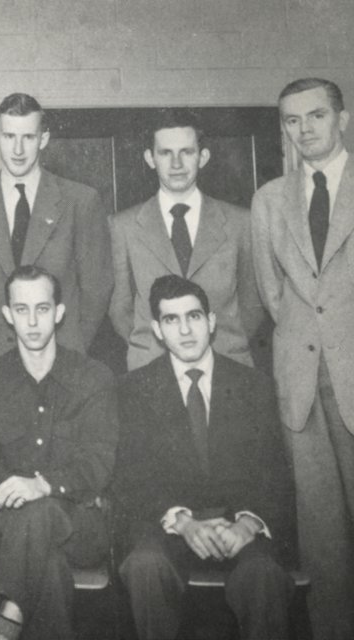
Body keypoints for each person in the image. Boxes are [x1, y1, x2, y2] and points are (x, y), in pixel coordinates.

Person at [114, 275, 294, 639]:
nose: (185, 330)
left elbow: (275, 474)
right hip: (171, 524)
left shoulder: (253, 385)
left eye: (194, 317)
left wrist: (248, 524)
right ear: (157, 330)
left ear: (211, 322)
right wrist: (182, 522)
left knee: (264, 573)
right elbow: (131, 480)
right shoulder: (134, 389)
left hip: (237, 525)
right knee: (144, 564)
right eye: (171, 320)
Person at [251, 76, 354, 639]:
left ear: (341, 118)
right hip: (302, 389)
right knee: (323, 544)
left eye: (316, 116)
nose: (304, 129)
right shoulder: (269, 198)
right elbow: (275, 296)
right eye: (292, 120)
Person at [0, 265, 116, 640]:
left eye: (43, 309)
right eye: (21, 310)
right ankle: (9, 623)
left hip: (82, 524)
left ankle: (8, 618)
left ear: (59, 313)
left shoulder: (93, 378)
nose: (32, 321)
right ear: (7, 315)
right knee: (46, 566)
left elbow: (99, 463)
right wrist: (21, 492)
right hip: (11, 529)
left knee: (43, 511)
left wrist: (43, 485)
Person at [0, 93, 112, 373]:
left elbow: (96, 291)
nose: (18, 149)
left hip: (62, 361)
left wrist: (69, 349)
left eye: (28, 137)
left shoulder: (80, 201)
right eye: (9, 136)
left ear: (44, 139)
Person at [108, 109, 263, 370]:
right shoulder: (122, 226)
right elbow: (120, 310)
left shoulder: (240, 222)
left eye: (187, 152)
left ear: (203, 157)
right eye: (166, 153)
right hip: (152, 365)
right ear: (150, 158)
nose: (176, 164)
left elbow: (253, 305)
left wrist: (222, 342)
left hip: (227, 361)